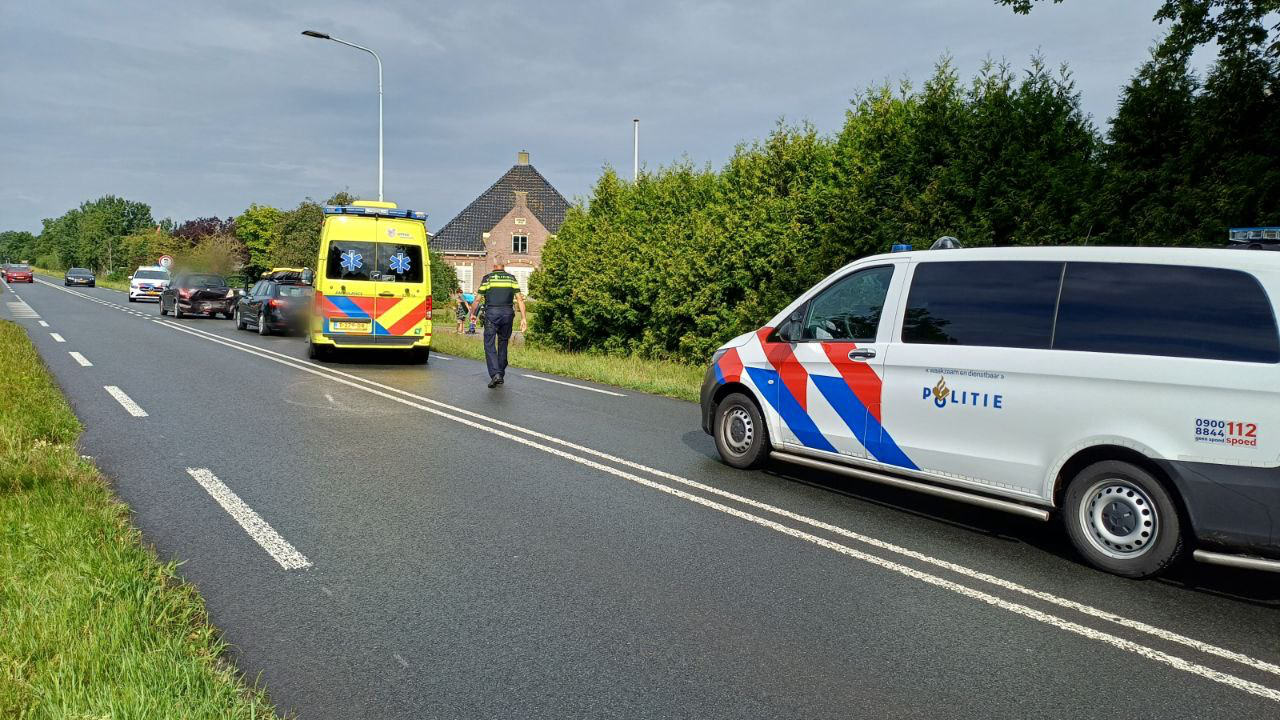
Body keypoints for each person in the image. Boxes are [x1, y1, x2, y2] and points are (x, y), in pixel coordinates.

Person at [469, 257, 527, 388]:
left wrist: (473, 314)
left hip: (492, 314)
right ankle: (500, 373)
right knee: (503, 342)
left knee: (489, 343)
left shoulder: (487, 278)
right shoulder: (511, 278)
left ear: (493, 265)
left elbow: (477, 300)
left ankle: (495, 374)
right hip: (507, 314)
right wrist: (523, 318)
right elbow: (520, 299)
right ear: (504, 265)